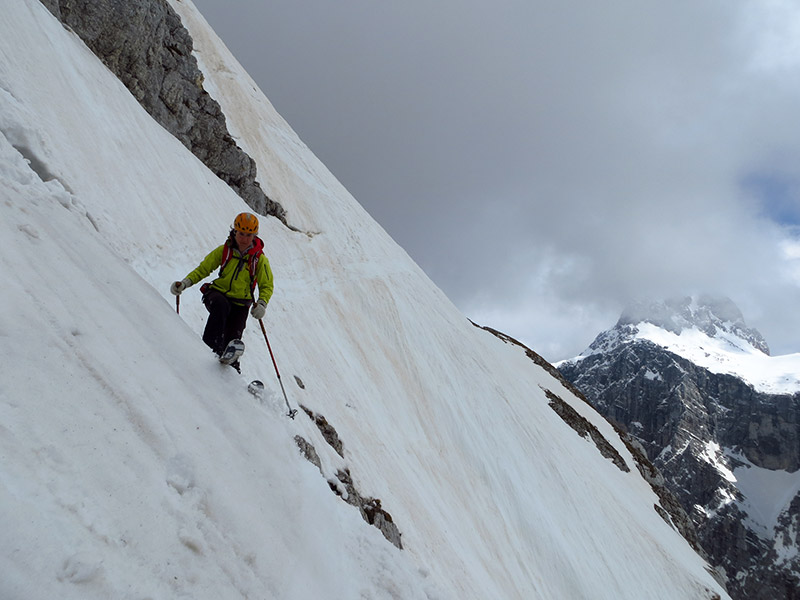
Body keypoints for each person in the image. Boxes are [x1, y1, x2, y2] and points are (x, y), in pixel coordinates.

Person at [170, 212, 274, 370]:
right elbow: (203, 269)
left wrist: (262, 303)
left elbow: (267, 285)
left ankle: (232, 372)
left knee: (233, 338)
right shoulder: (225, 251)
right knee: (220, 306)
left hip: (241, 303)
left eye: (248, 235)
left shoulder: (259, 259)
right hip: (217, 293)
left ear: (254, 235)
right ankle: (208, 349)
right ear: (235, 231)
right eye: (241, 233)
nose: (244, 238)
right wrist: (185, 283)